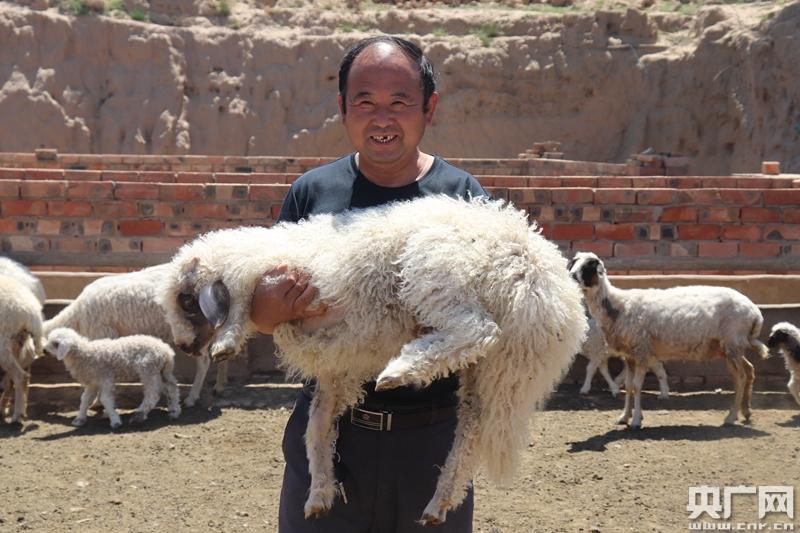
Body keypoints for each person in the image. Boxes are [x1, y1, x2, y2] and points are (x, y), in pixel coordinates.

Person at [249, 35, 488, 532]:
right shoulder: (312, 193)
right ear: (342, 108)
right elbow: (263, 312)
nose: (382, 118)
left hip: (433, 443)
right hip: (331, 437)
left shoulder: (464, 197)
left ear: (430, 108)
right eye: (365, 102)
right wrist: (267, 309)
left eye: (400, 102)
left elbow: (488, 321)